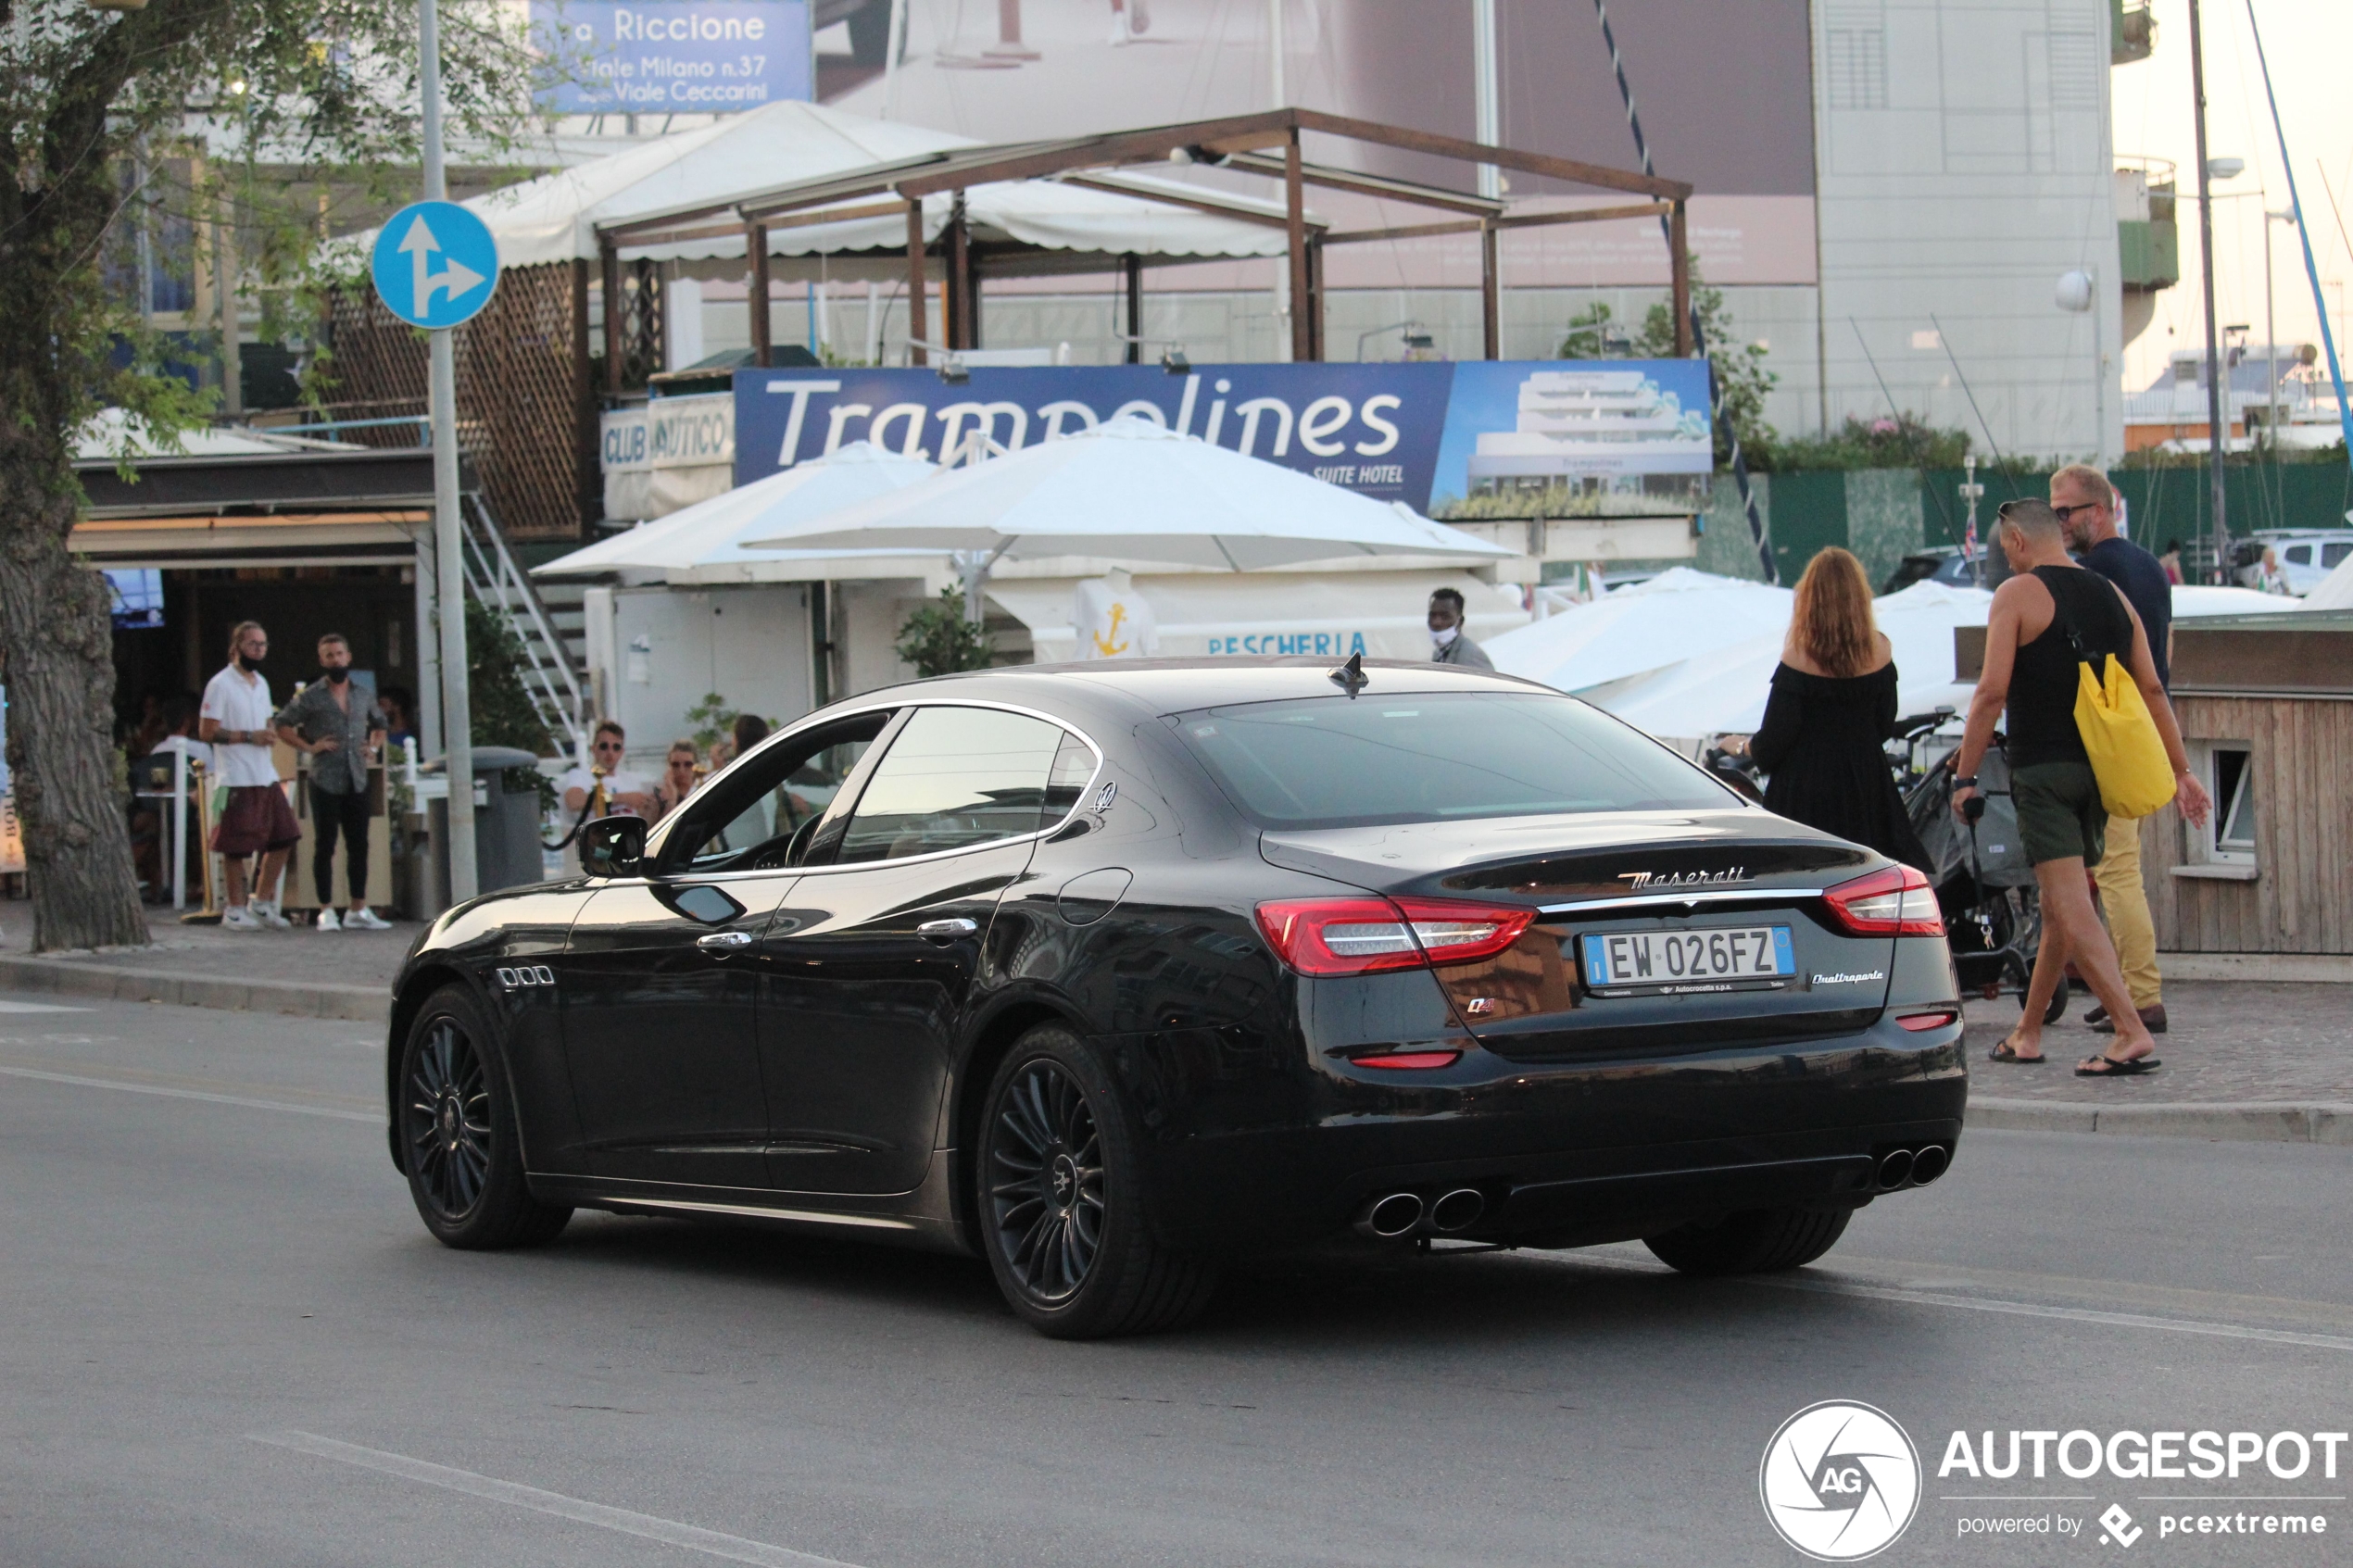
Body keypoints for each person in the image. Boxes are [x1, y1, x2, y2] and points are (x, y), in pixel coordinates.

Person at [1951, 500, 2209, 1075]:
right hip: (2098, 772)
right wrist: (2183, 770)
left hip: (2042, 773)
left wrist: (1965, 777)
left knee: (2069, 901)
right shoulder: (2112, 597)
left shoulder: (2017, 596)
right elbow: (2152, 689)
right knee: (2060, 903)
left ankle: (2128, 1029)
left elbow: (1990, 692)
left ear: (2016, 540)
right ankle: (2027, 1032)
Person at [2052, 464, 2173, 1034]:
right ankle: (2121, 988)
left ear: (2097, 511)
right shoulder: (2150, 567)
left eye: (2064, 512)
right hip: (2144, 730)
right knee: (2115, 868)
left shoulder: (2093, 574)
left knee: (2117, 871)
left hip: (2113, 735)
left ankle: (2142, 996)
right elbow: (2161, 660)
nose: (2058, 523)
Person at [1743, 547, 1931, 872]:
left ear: (1810, 599)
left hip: (1805, 793)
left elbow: (1775, 739)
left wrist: (1742, 745)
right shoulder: (1881, 650)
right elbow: (1883, 726)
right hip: (1865, 785)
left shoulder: (1797, 657)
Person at [273, 633, 392, 932]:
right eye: (329, 655)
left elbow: (380, 724)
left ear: (348, 657)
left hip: (357, 776)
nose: (335, 660)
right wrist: (309, 747)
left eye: (339, 654)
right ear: (321, 660)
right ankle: (325, 909)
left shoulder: (362, 694)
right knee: (325, 844)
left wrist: (373, 748)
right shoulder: (311, 696)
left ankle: (358, 907)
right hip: (325, 776)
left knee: (359, 844)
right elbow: (282, 723)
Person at [198, 621, 299, 931]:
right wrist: (247, 736)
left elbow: (266, 721)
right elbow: (207, 731)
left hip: (264, 774)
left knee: (284, 836)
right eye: (253, 644)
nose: (259, 650)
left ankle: (263, 900)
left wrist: (268, 733)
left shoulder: (261, 683)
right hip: (237, 775)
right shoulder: (221, 684)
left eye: (263, 644)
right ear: (238, 646)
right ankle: (235, 907)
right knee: (236, 846)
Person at [558, 721, 656, 820]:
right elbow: (574, 802)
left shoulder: (632, 781)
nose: (610, 752)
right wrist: (624, 798)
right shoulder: (579, 775)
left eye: (616, 747)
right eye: (604, 746)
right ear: (593, 749)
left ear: (622, 752)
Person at [1428, 587, 1492, 670]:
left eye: (1445, 617)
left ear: (1460, 622)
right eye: (1432, 615)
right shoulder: (1439, 653)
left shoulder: (1471, 655)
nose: (1436, 622)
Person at [653, 740, 702, 822]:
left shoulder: (703, 790)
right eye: (675, 765)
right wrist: (672, 798)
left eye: (688, 764)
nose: (681, 770)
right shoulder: (658, 797)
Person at [377, 685, 417, 755]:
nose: (378, 710)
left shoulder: (411, 737)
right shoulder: (379, 735)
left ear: (397, 707)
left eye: (382, 705)